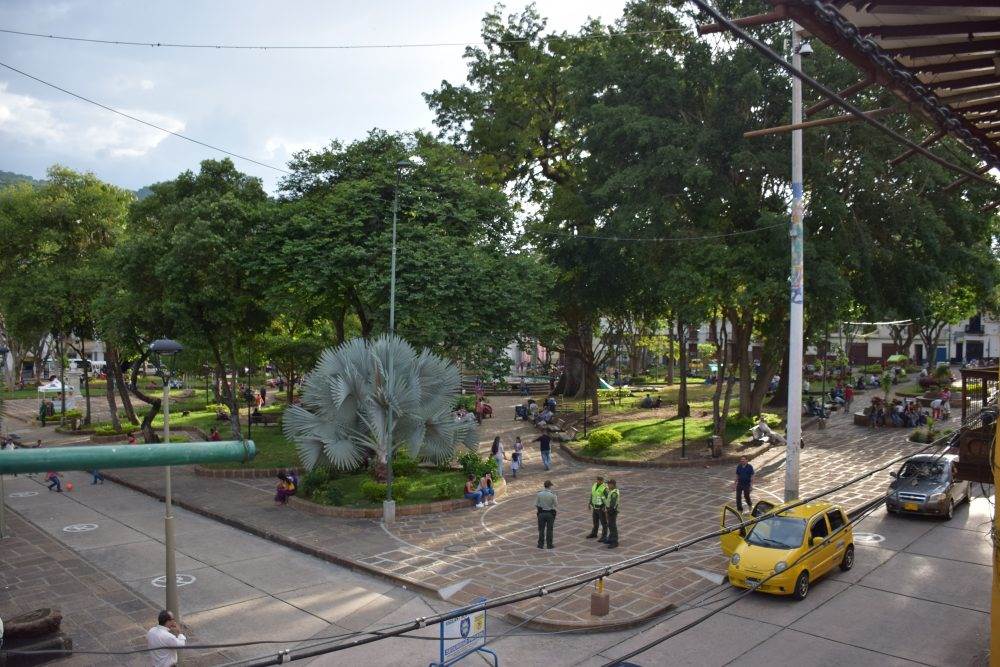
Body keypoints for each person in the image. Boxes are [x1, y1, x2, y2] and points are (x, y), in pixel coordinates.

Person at [535, 480, 557, 549]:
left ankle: (540, 544)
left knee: (541, 529)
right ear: (550, 486)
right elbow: (556, 505)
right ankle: (549, 545)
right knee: (549, 530)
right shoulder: (552, 495)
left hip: (541, 513)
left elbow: (536, 504)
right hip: (550, 513)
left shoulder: (539, 494)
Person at [586, 476, 609, 542]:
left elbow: (607, 499)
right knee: (595, 521)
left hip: (601, 508)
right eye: (597, 480)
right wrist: (589, 503)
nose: (598, 481)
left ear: (602, 481)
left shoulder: (604, 488)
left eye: (600, 480)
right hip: (595, 507)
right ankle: (594, 533)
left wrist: (605, 507)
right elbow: (592, 494)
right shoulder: (594, 485)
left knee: (604, 523)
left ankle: (604, 536)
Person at [605, 479, 620, 549]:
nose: (608, 485)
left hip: (612, 511)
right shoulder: (611, 491)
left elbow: (613, 503)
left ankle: (615, 542)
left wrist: (608, 511)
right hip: (610, 510)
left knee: (612, 526)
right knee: (610, 525)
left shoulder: (614, 493)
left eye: (609, 484)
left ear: (613, 484)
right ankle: (610, 539)